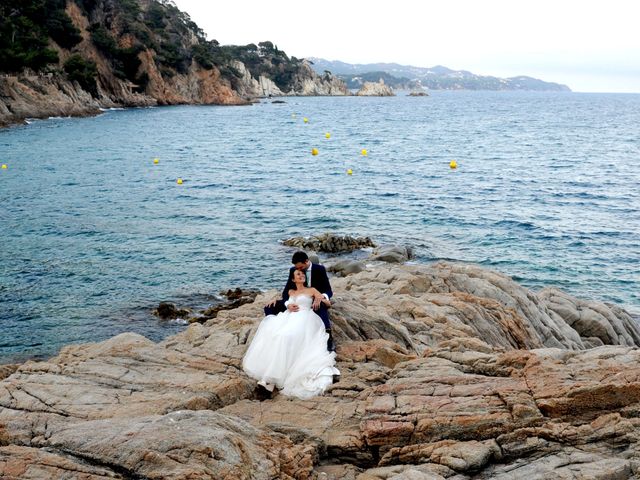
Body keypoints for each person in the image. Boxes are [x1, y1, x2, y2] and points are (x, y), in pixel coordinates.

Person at [243, 269, 340, 399]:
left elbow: (328, 303)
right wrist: (285, 304)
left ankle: (268, 382)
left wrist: (320, 300)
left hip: (306, 318)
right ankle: (269, 380)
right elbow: (285, 302)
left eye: (302, 274)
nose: (302, 275)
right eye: (298, 274)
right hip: (289, 318)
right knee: (276, 335)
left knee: (286, 337)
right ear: (293, 279)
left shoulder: (311, 290)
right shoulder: (291, 292)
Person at [265, 251, 336, 351]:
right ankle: (270, 330)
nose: (298, 270)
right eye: (297, 268)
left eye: (300, 268)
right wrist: (287, 304)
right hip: (296, 300)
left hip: (313, 299)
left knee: (320, 306)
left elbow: (328, 290)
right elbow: (286, 292)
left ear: (307, 261)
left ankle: (328, 336)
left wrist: (321, 297)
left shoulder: (319, 269)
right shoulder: (293, 270)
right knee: (269, 307)